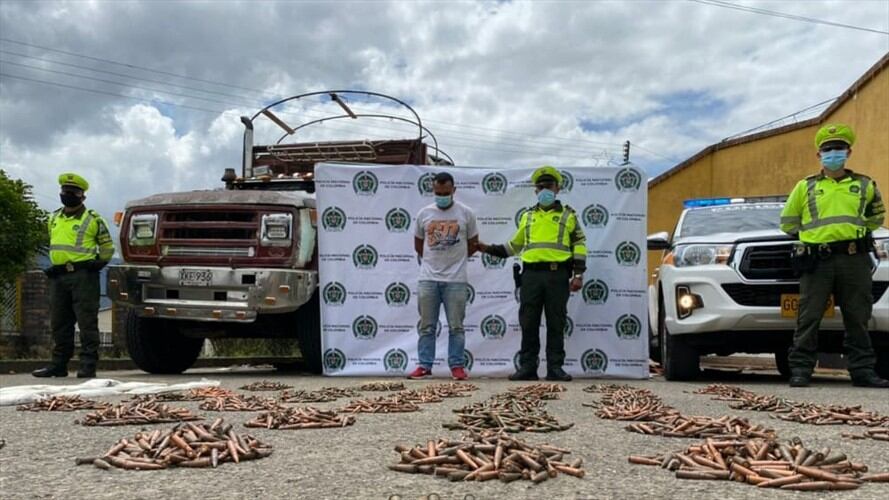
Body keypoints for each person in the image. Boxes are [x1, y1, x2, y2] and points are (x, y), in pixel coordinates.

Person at [780, 124, 888, 388]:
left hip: (854, 260)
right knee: (809, 316)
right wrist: (815, 239)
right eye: (827, 149)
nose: (833, 153)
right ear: (819, 155)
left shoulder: (865, 185)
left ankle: (862, 371)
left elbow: (876, 217)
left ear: (848, 151)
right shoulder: (804, 187)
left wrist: (851, 234)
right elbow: (788, 223)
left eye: (838, 148)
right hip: (817, 262)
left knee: (858, 316)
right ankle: (801, 369)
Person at [478, 166, 586, 381]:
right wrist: (485, 248)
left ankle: (555, 368)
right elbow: (513, 247)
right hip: (531, 277)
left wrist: (578, 274)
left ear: (557, 188)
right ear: (535, 190)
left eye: (549, 186)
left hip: (557, 276)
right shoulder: (527, 217)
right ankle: (528, 367)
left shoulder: (569, 215)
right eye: (540, 186)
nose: (544, 189)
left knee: (556, 322)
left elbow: (579, 244)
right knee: (529, 323)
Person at [32, 173, 115, 379]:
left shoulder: (93, 219)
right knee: (59, 322)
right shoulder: (53, 218)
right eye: (64, 191)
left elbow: (107, 246)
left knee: (87, 321)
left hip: (83, 276)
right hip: (58, 277)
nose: (67, 195)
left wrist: (98, 263)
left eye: (73, 192)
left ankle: (87, 365)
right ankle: (58, 365)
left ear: (82, 196)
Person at [408, 172, 479, 380]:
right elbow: (418, 245)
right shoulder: (424, 214)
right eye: (438, 193)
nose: (441, 196)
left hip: (456, 280)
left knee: (456, 326)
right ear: (433, 190)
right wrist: (434, 260)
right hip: (428, 279)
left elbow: (473, 244)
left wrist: (455, 260)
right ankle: (424, 365)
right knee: (426, 325)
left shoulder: (466, 214)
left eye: (446, 193)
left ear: (454, 190)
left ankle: (457, 365)